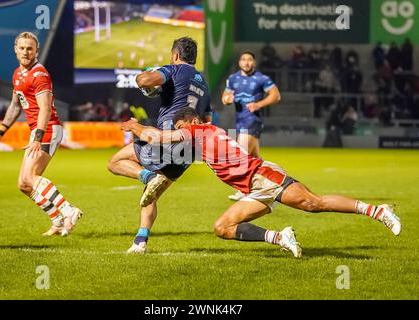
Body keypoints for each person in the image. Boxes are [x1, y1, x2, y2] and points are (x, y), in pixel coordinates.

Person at [119, 107, 402, 257]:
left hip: (262, 177)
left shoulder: (198, 130)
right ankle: (281, 237)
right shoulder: (202, 136)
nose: (180, 133)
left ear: (191, 121)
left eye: (180, 127)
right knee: (222, 227)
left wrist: (136, 127)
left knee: (314, 204)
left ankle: (378, 211)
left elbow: (159, 137)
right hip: (252, 187)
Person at [108, 37, 212, 254]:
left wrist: (145, 76)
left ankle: (147, 176)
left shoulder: (173, 70)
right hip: (189, 150)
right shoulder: (203, 82)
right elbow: (207, 119)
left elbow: (144, 81)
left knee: (115, 162)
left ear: (175, 55)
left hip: (168, 139)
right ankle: (140, 241)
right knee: (150, 193)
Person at [0, 32, 83, 236]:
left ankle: (69, 210)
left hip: (47, 129)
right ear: (15, 49)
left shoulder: (39, 75)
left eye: (30, 48)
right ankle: (57, 222)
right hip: (38, 130)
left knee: (30, 176)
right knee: (23, 184)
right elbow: (14, 106)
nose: (26, 52)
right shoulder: (18, 74)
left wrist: (37, 138)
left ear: (36, 51)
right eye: (22, 48)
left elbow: (45, 109)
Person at [221, 51, 281, 201]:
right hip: (239, 120)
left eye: (249, 60)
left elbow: (276, 95)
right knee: (255, 159)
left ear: (254, 63)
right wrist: (228, 99)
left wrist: (258, 104)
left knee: (240, 152)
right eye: (243, 60)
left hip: (253, 119)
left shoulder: (261, 78)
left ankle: (243, 190)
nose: (246, 62)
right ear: (239, 62)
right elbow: (225, 97)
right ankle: (273, 182)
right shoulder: (233, 78)